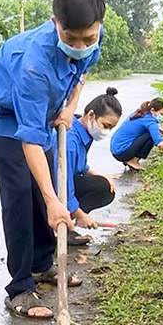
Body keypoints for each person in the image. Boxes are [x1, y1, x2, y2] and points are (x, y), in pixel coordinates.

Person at [0, 0, 105, 319]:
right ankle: (19, 288)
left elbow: (81, 73)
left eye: (87, 39)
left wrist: (69, 106)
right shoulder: (33, 63)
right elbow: (29, 142)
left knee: (44, 188)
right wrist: (52, 200)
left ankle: (43, 264)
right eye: (70, 38)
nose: (79, 47)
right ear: (54, 23)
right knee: (22, 189)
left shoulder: (93, 38)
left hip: (42, 116)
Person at [48, 87, 122, 247]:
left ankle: (65, 225)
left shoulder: (81, 131)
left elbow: (78, 166)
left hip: (62, 180)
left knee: (104, 186)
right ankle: (60, 226)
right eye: (106, 125)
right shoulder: (69, 141)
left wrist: (98, 174)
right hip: (51, 186)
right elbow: (63, 185)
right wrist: (80, 215)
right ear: (91, 115)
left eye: (111, 128)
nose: (106, 132)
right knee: (99, 187)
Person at [110, 98, 163, 171]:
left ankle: (129, 159)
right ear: (152, 110)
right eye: (161, 114)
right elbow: (159, 143)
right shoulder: (150, 122)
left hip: (115, 148)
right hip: (122, 152)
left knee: (151, 132)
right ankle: (133, 161)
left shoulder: (140, 113)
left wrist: (157, 128)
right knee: (150, 136)